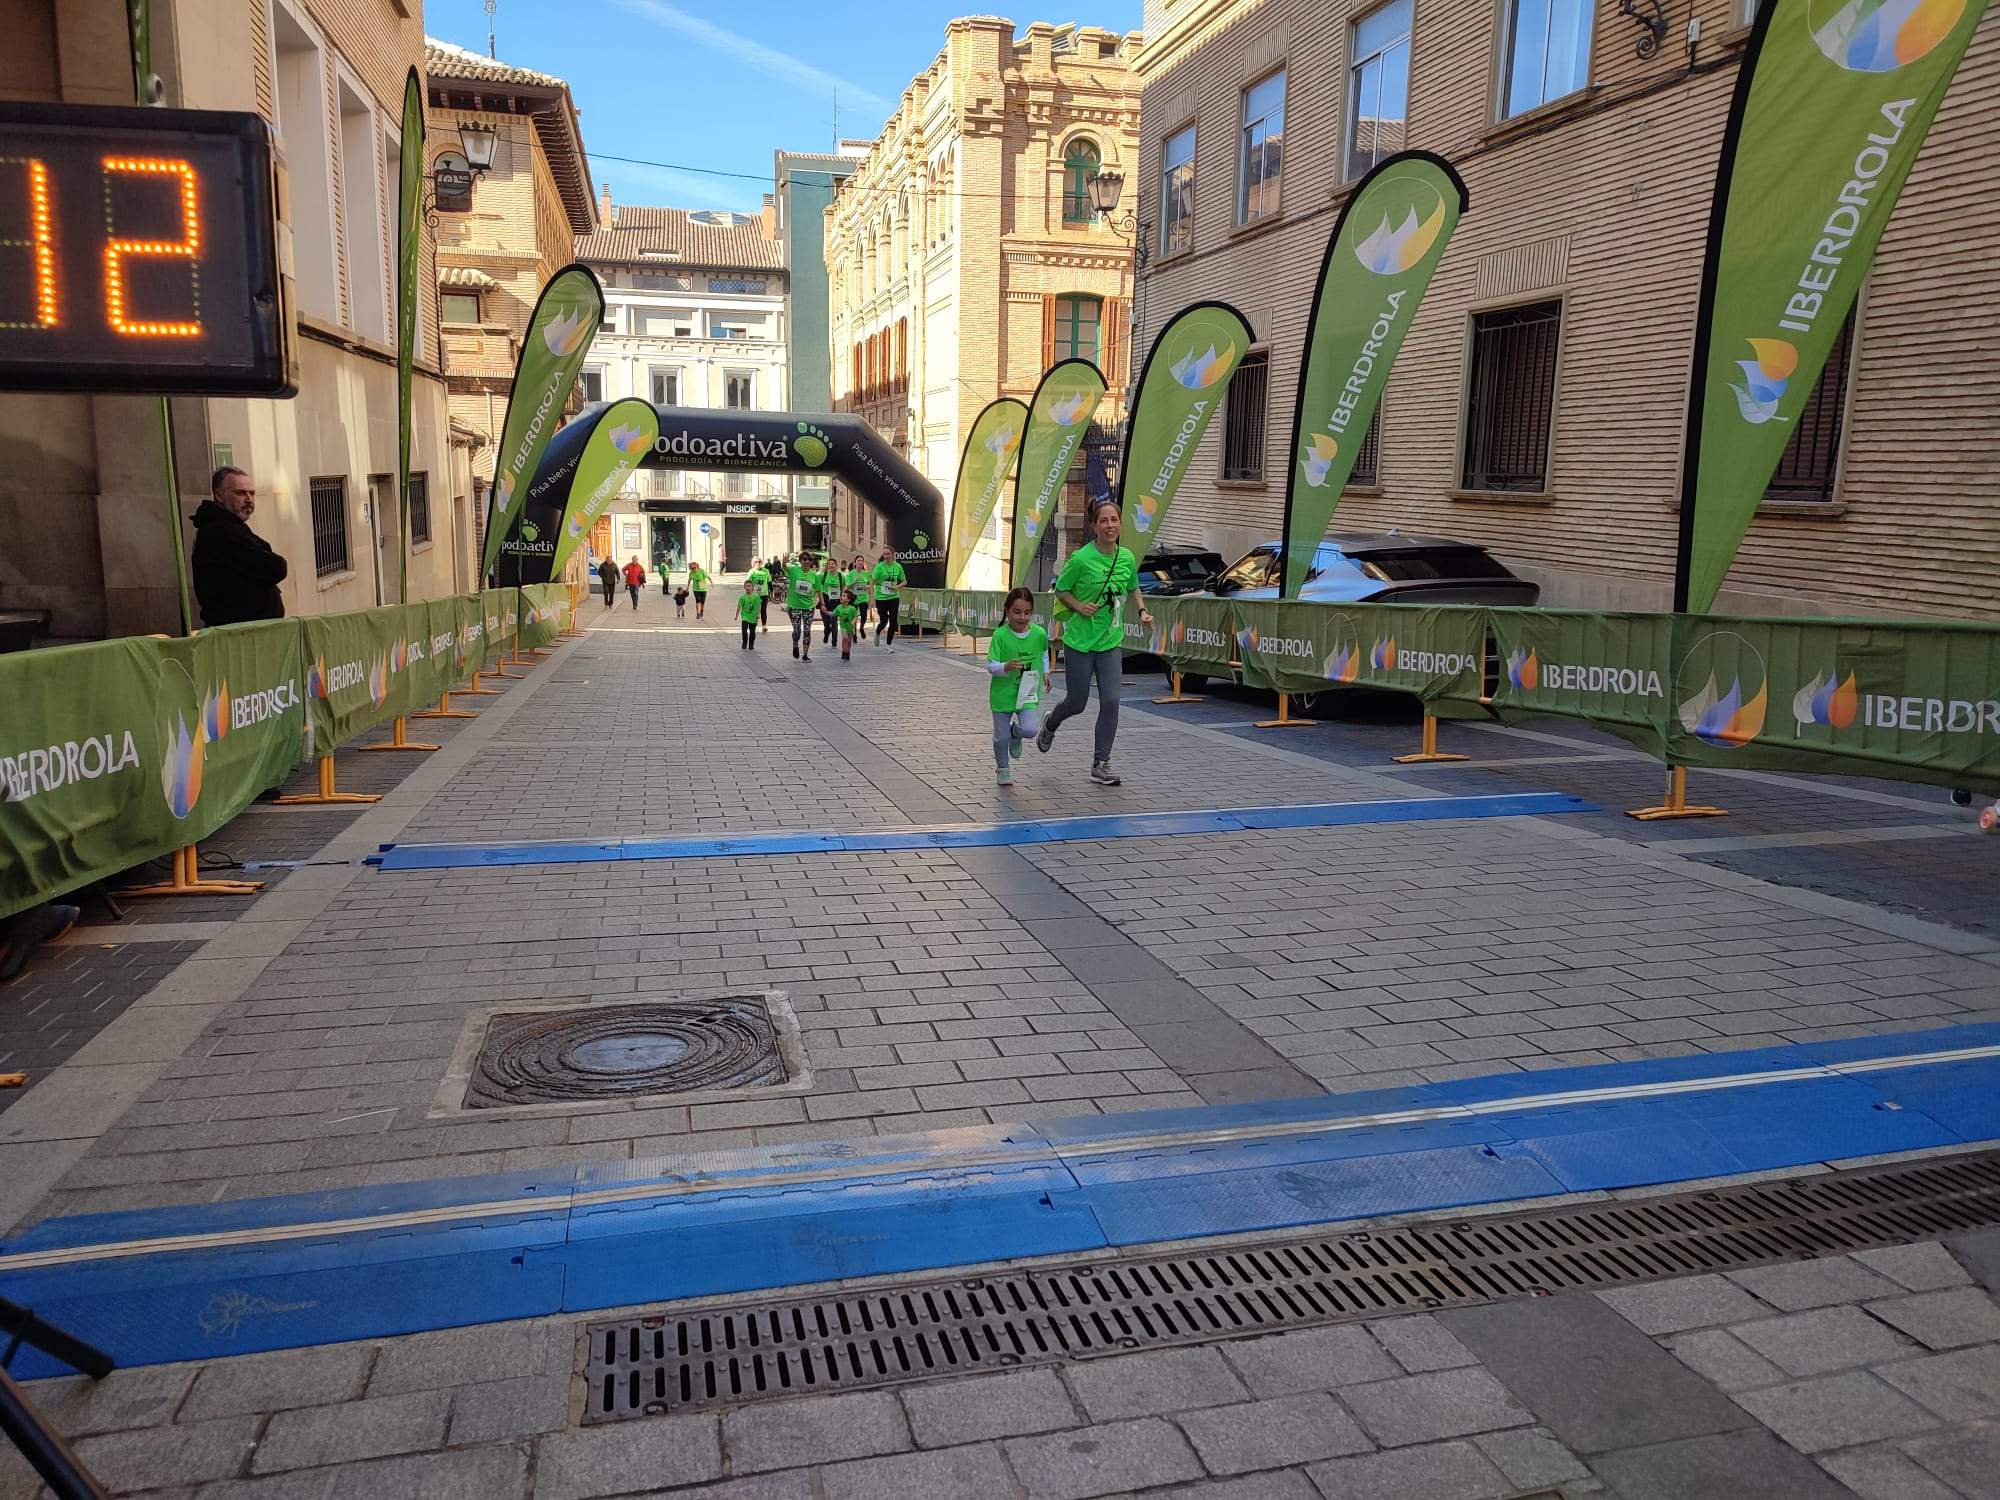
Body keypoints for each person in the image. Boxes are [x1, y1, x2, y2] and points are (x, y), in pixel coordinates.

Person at [1036, 501, 1152, 786]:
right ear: (1095, 525)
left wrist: (1142, 611)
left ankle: (1101, 763)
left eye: (1115, 520)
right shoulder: (1081, 559)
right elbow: (1060, 589)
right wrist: (1078, 606)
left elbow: (1132, 585)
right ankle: (1051, 722)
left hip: (1110, 641)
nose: (1110, 525)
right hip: (1080, 641)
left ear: (1120, 524)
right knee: (1077, 702)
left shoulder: (1125, 557)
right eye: (1104, 521)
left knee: (1111, 701)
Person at [190, 467, 287, 627]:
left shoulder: (230, 527)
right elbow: (276, 568)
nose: (249, 499)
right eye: (240, 493)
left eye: (252, 493)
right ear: (220, 495)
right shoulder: (220, 531)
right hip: (240, 634)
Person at [987, 587, 1049, 788]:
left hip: (1028, 691)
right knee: (1000, 737)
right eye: (1017, 612)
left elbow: (1043, 654)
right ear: (1007, 610)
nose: (1022, 617)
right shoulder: (1000, 635)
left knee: (1030, 729)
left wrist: (1046, 673)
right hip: (1003, 694)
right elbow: (990, 665)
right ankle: (1003, 769)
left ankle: (1016, 733)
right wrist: (1005, 667)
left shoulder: (1039, 633)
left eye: (1027, 612)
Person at [783, 551, 818, 662]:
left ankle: (805, 655)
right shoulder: (794, 571)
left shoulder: (813, 575)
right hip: (794, 605)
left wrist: (822, 603)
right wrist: (784, 562)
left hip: (808, 606)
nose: (807, 561)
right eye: (804, 559)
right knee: (797, 630)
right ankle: (795, 644)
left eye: (809, 559)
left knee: (807, 630)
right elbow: (785, 568)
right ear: (800, 561)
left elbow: (818, 589)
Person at [871, 545, 906, 648]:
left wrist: (897, 586)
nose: (886, 556)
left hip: (894, 597)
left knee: (893, 621)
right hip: (881, 598)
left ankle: (889, 644)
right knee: (884, 621)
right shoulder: (879, 567)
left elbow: (905, 581)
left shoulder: (898, 566)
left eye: (888, 554)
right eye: (884, 554)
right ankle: (877, 633)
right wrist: (872, 599)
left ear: (892, 555)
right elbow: (872, 582)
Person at [846, 555, 873, 638]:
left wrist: (867, 587)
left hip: (863, 598)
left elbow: (871, 585)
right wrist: (853, 582)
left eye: (861, 561)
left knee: (864, 615)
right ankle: (854, 634)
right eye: (858, 560)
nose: (860, 562)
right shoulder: (851, 573)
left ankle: (861, 628)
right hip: (854, 598)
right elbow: (847, 586)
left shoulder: (867, 573)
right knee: (854, 617)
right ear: (855, 563)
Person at [745, 558, 771, 628]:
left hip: (764, 594)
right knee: (754, 610)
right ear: (753, 563)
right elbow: (747, 582)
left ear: (762, 563)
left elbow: (769, 581)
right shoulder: (752, 571)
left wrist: (771, 591)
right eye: (756, 562)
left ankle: (764, 626)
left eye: (759, 562)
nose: (758, 563)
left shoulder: (766, 571)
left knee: (763, 610)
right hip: (754, 595)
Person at [836, 588, 860, 662]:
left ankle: (846, 652)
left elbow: (856, 617)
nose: (841, 597)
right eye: (842, 595)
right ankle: (845, 653)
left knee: (848, 641)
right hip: (843, 627)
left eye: (843, 596)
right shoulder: (839, 607)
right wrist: (826, 612)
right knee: (845, 639)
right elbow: (833, 613)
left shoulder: (852, 608)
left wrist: (853, 621)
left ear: (848, 600)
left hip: (851, 627)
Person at [737, 579, 761, 650]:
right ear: (744, 587)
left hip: (753, 617)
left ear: (752, 588)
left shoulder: (756, 597)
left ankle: (751, 644)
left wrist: (758, 614)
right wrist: (736, 615)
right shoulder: (742, 597)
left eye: (749, 586)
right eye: (746, 586)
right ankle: (744, 642)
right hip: (745, 617)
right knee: (744, 631)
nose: (748, 587)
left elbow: (759, 606)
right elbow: (739, 606)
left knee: (752, 632)